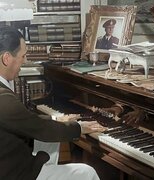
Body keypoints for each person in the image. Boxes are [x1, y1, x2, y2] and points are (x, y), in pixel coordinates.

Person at [0, 26, 106, 180]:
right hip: (15, 172)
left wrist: (56, 120)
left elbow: (24, 121)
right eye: (23, 56)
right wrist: (79, 128)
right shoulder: (2, 98)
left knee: (51, 140)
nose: (25, 61)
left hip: (7, 159)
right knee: (87, 173)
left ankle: (51, 172)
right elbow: (40, 128)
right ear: (7, 58)